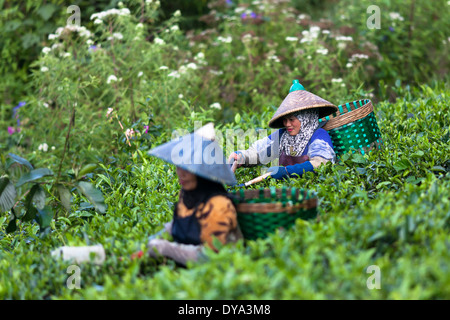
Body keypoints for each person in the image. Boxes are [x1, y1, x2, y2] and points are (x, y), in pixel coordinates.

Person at [142, 123, 242, 266]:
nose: (180, 174)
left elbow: (212, 255)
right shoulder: (187, 194)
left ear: (203, 172)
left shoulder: (219, 205)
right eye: (179, 166)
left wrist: (167, 249)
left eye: (188, 168)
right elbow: (183, 223)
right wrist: (157, 238)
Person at [228, 80, 339, 180]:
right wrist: (241, 157)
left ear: (306, 119)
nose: (287, 124)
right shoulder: (283, 136)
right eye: (285, 120)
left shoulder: (318, 134)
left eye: (291, 119)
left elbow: (322, 162)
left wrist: (286, 172)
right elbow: (258, 153)